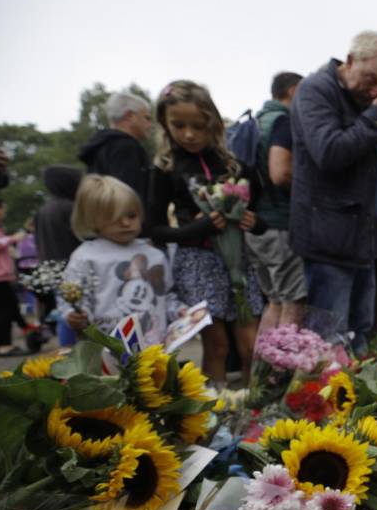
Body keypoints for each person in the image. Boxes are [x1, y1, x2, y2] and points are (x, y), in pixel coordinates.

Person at [290, 31, 377, 354]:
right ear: (351, 60)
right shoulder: (316, 90)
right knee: (329, 342)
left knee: (360, 335)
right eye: (371, 79)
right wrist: (376, 118)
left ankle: (359, 402)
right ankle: (323, 403)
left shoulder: (360, 101)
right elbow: (329, 151)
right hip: (329, 241)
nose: (375, 91)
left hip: (359, 240)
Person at [147, 80, 266, 386]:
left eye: (198, 126)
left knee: (251, 344)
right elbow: (153, 228)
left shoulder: (234, 164)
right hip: (196, 262)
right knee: (217, 345)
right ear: (164, 122)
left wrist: (256, 221)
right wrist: (193, 228)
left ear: (212, 122)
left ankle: (256, 408)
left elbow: (266, 211)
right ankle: (214, 413)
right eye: (179, 125)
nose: (189, 134)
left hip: (239, 262)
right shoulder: (165, 168)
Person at [59, 176, 178, 347]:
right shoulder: (85, 256)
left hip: (154, 346)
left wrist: (182, 312)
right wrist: (73, 314)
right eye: (112, 217)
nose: (125, 223)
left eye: (131, 215)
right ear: (92, 219)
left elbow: (166, 296)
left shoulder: (154, 255)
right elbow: (73, 296)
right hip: (106, 348)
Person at [248, 71, 307, 331]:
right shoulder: (283, 122)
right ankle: (282, 369)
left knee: (273, 302)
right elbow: (280, 173)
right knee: (292, 304)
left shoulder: (255, 122)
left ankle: (262, 369)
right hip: (280, 226)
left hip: (256, 227)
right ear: (294, 91)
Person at [34, 165, 84, 344]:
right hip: (69, 267)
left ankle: (65, 349)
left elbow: (37, 242)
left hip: (50, 267)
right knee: (72, 313)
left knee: (63, 309)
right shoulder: (70, 208)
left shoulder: (43, 210)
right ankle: (70, 349)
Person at [78, 91, 153, 210]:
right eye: (147, 118)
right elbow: (130, 194)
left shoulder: (99, 148)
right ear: (130, 116)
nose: (150, 124)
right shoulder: (128, 148)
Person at [0, 196, 28, 356]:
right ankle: (3, 345)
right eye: (2, 208)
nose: (3, 212)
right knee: (3, 311)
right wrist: (12, 239)